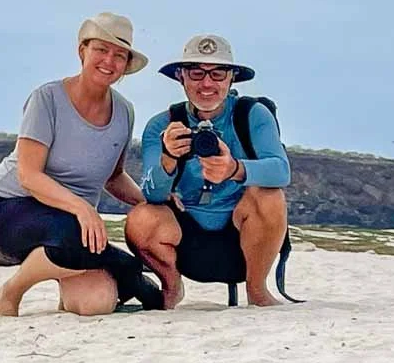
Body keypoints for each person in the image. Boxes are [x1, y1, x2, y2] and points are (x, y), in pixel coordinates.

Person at [0, 12, 165, 316]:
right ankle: (12, 291)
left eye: (119, 55)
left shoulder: (125, 111)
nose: (109, 60)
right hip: (12, 208)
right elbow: (29, 175)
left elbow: (114, 177)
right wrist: (82, 208)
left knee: (96, 304)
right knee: (80, 238)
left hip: (73, 227)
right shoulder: (47, 99)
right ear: (82, 51)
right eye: (101, 50)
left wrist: (152, 203)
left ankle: (85, 277)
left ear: (126, 66)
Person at [125, 34, 291, 308]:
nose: (207, 83)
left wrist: (235, 169)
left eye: (217, 74)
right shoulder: (161, 126)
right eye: (196, 73)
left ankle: (258, 290)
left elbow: (281, 171)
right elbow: (152, 193)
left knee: (270, 196)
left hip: (244, 236)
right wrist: (168, 158)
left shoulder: (253, 115)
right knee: (141, 218)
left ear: (231, 78)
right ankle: (171, 286)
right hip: (186, 236)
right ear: (181, 77)